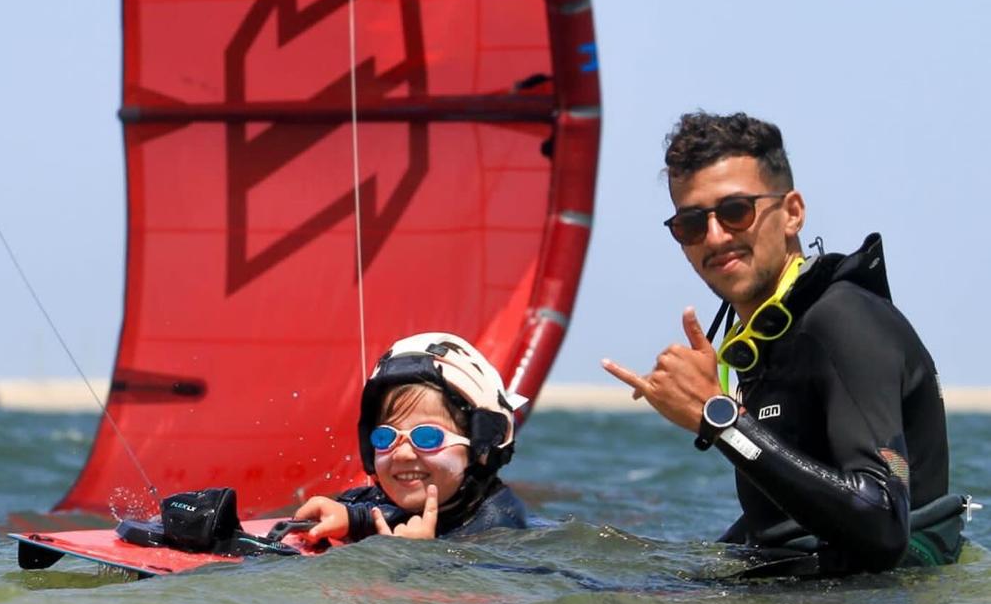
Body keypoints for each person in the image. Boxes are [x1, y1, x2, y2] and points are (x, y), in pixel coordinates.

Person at [603, 111, 967, 577]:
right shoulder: (770, 337)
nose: (715, 237)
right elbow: (789, 514)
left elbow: (882, 528)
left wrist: (720, 419)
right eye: (692, 223)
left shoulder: (843, 322)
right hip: (800, 598)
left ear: (792, 213)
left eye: (736, 211)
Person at [293, 332, 529, 544]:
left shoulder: (501, 529)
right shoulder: (377, 499)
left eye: (427, 437)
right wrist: (352, 517)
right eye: (386, 437)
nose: (403, 453)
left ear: (481, 448)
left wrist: (413, 556)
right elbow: (383, 512)